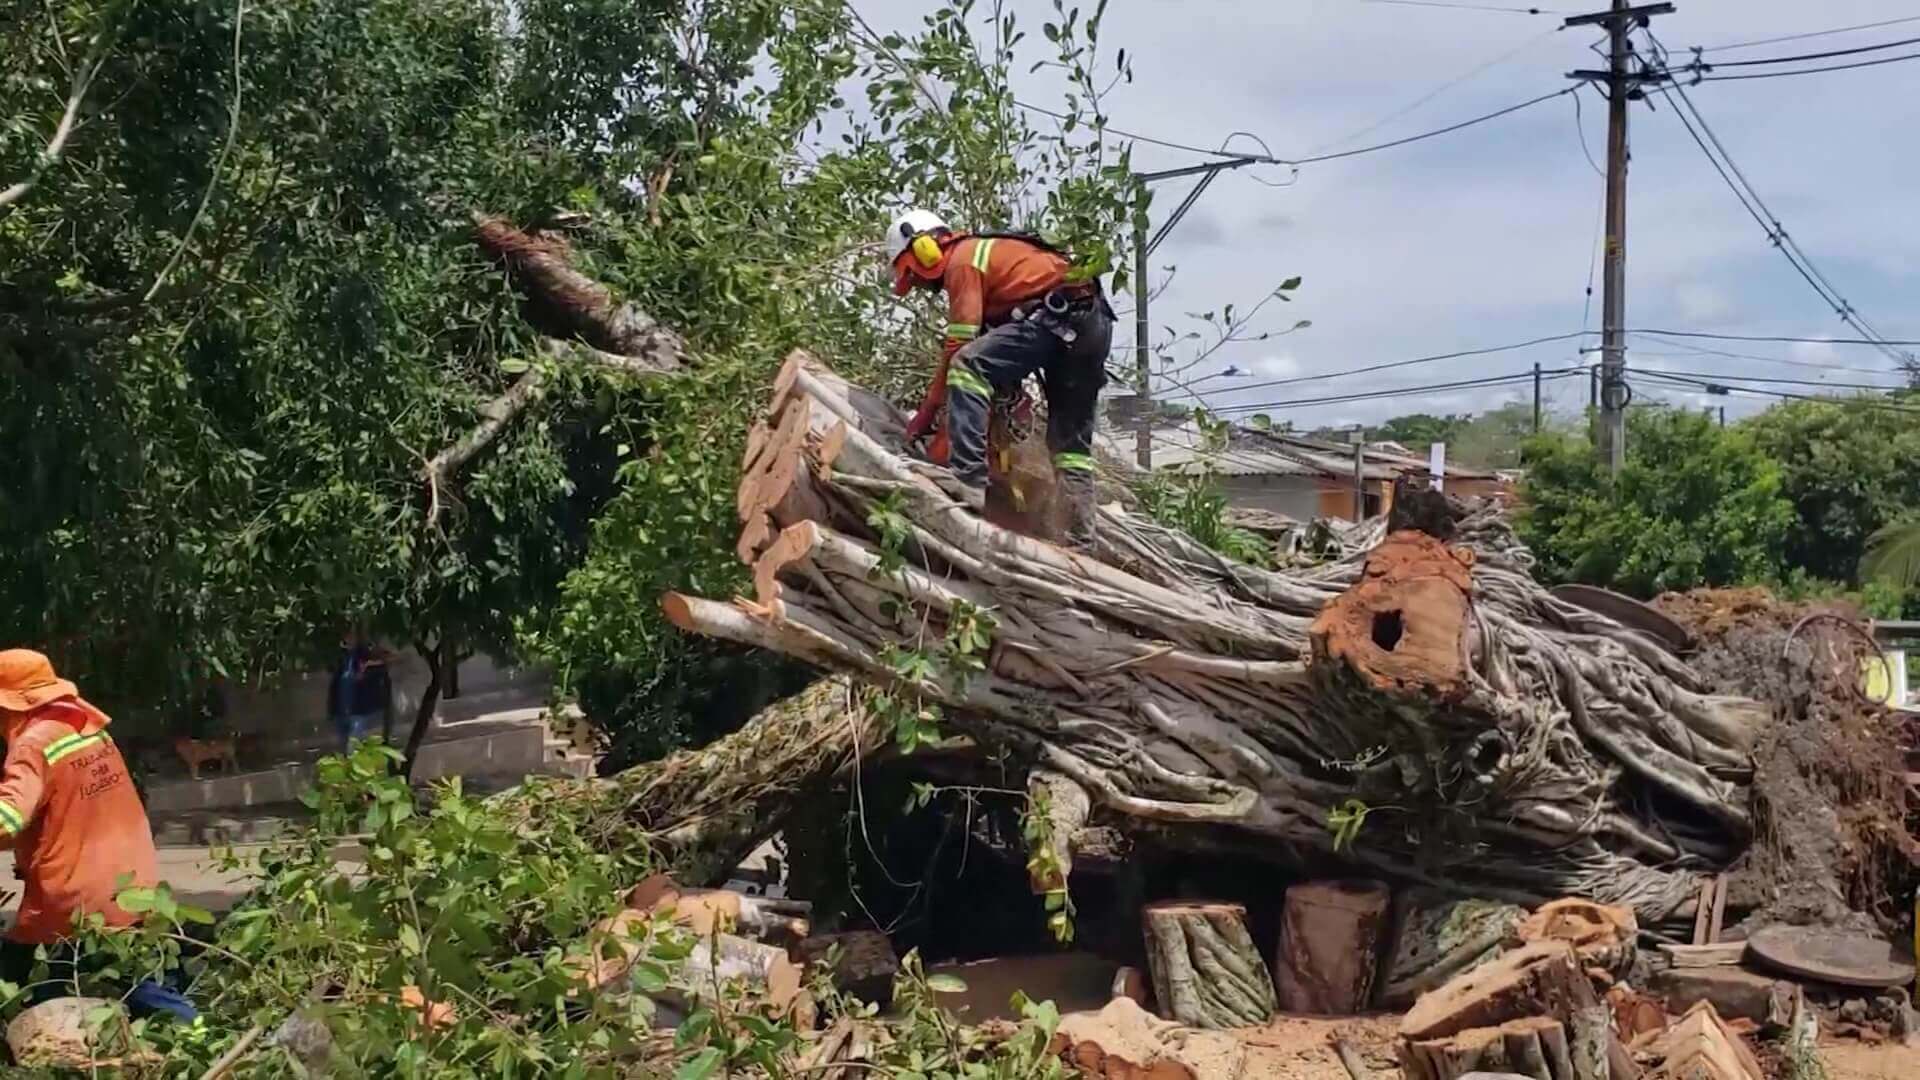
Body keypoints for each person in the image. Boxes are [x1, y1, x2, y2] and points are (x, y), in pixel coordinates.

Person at [886, 209, 1116, 548]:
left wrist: (928, 410)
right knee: (1069, 447)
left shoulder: (964, 260)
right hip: (1090, 324)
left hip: (1054, 317)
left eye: (912, 273)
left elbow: (959, 346)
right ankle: (1081, 540)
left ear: (924, 249)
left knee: (967, 367)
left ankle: (968, 479)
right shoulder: (995, 263)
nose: (919, 285)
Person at [0, 649, 196, 1020]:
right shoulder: (84, 725)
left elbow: (8, 818)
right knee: (145, 981)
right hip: (131, 883)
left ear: (11, 704)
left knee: (34, 983)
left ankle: (201, 1038)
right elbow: (63, 805)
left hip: (76, 902)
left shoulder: (31, 744)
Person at [326, 633, 390, 751]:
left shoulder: (365, 654)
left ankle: (354, 766)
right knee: (343, 748)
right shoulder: (340, 657)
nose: (348, 639)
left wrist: (367, 667)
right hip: (341, 711)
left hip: (359, 710)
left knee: (352, 746)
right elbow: (334, 681)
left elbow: (385, 662)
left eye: (351, 636)